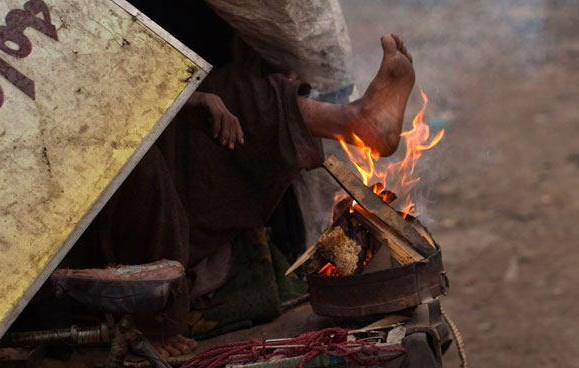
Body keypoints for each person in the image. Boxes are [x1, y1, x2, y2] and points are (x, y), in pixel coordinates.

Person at [65, 34, 416, 358]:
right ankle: (154, 317)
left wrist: (186, 99)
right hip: (78, 191)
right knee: (140, 163)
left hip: (112, 120)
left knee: (229, 90)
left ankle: (353, 120)